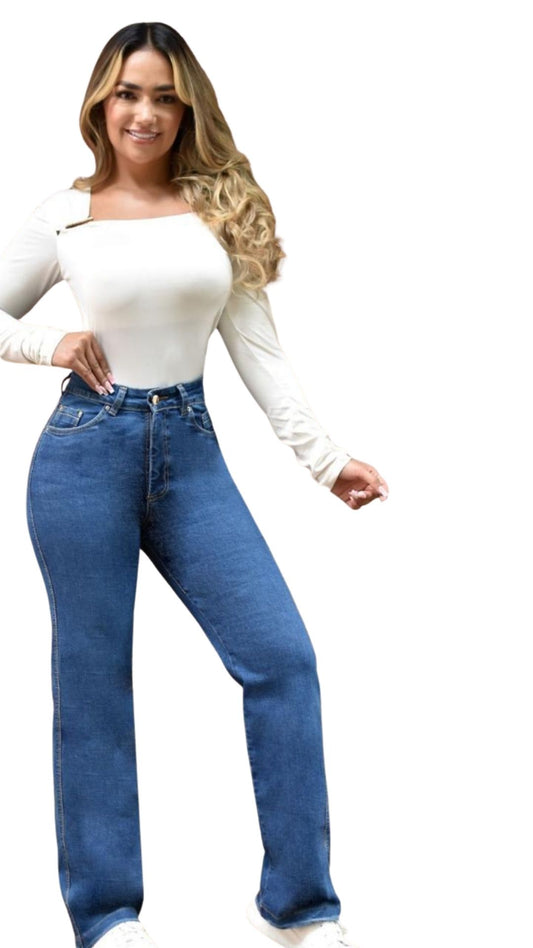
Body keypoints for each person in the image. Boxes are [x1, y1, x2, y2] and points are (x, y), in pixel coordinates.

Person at [0, 21, 389, 948]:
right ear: (101, 102)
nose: (145, 112)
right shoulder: (63, 214)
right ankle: (108, 917)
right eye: (128, 93)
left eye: (165, 96)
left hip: (190, 452)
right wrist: (46, 341)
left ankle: (298, 908)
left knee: (281, 661)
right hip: (83, 453)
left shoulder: (218, 210)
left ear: (188, 109)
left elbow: (259, 350)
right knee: (93, 684)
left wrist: (325, 459)